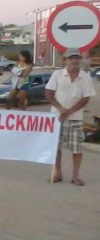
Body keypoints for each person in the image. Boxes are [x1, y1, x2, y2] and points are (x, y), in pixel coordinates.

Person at [45, 48, 96, 186]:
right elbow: (48, 93)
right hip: (57, 117)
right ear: (66, 60)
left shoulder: (85, 77)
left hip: (76, 118)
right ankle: (57, 173)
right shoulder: (57, 74)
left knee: (77, 148)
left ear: (80, 59)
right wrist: (60, 109)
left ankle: (75, 176)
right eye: (71, 58)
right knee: (56, 147)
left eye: (76, 58)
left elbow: (86, 98)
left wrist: (69, 111)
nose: (74, 60)